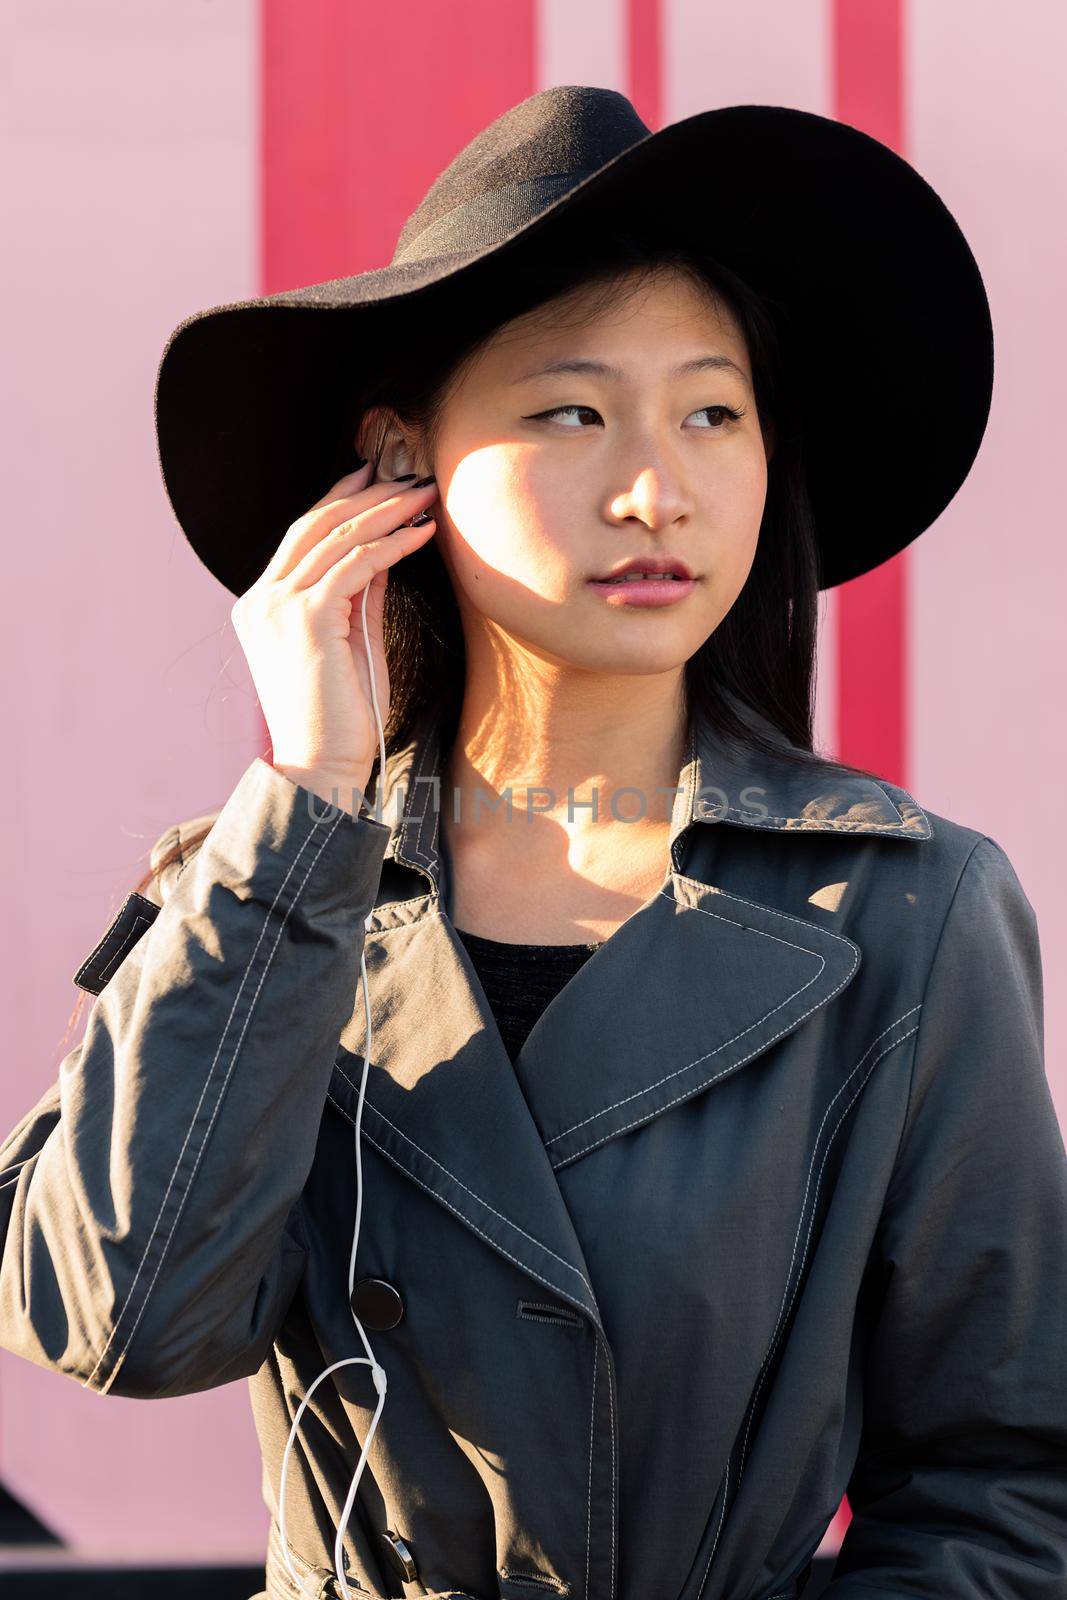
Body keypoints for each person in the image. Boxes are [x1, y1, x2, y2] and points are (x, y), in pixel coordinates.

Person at [2, 86, 1066, 1600]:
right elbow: (122, 1315)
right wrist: (309, 783)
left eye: (714, 411)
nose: (658, 487)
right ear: (394, 466)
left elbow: (1005, 1482)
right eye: (572, 412)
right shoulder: (252, 885)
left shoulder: (906, 909)